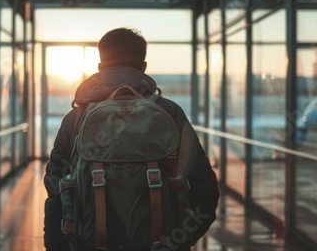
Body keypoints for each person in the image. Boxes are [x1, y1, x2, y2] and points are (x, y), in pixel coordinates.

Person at [44, 28, 219, 251]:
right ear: (143, 66)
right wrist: (178, 241)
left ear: (100, 67)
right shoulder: (169, 113)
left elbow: (55, 191)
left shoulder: (75, 119)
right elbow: (206, 190)